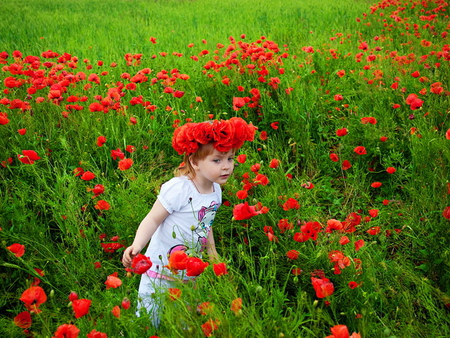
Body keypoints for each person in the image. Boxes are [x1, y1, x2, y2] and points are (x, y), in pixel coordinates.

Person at [122, 117, 255, 327]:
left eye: (230, 159)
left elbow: (206, 223)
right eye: (217, 160)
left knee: (183, 321)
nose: (227, 167)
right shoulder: (180, 188)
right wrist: (137, 245)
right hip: (159, 268)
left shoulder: (215, 191)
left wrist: (212, 252)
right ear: (194, 162)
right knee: (149, 321)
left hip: (189, 271)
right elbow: (152, 219)